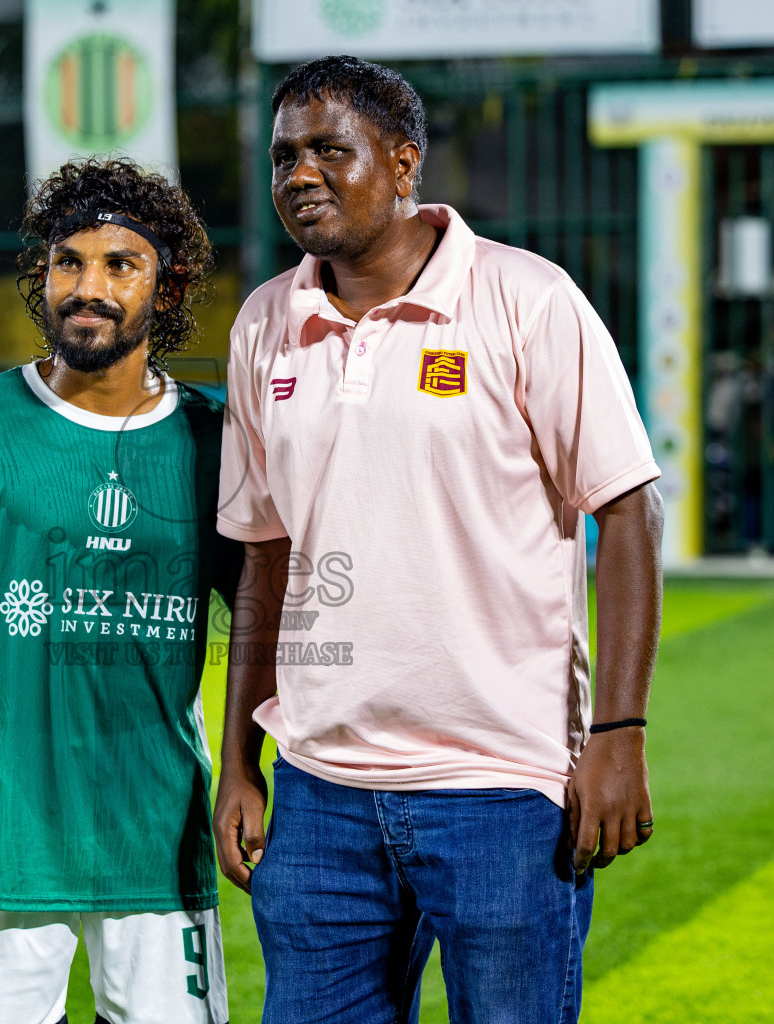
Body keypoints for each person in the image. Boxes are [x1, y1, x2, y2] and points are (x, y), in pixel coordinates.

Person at [212, 57, 663, 1024]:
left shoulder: (526, 299)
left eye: (332, 150)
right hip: (321, 788)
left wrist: (619, 736)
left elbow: (626, 509)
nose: (300, 174)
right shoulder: (263, 326)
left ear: (405, 162)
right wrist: (238, 763)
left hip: (502, 788)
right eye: (285, 155)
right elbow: (264, 555)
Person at [0, 157, 237, 1024]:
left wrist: (260, 775)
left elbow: (262, 622)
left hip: (159, 843)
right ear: (42, 274)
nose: (89, 287)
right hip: (5, 842)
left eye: (120, 264)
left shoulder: (215, 439)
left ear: (166, 281)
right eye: (69, 261)